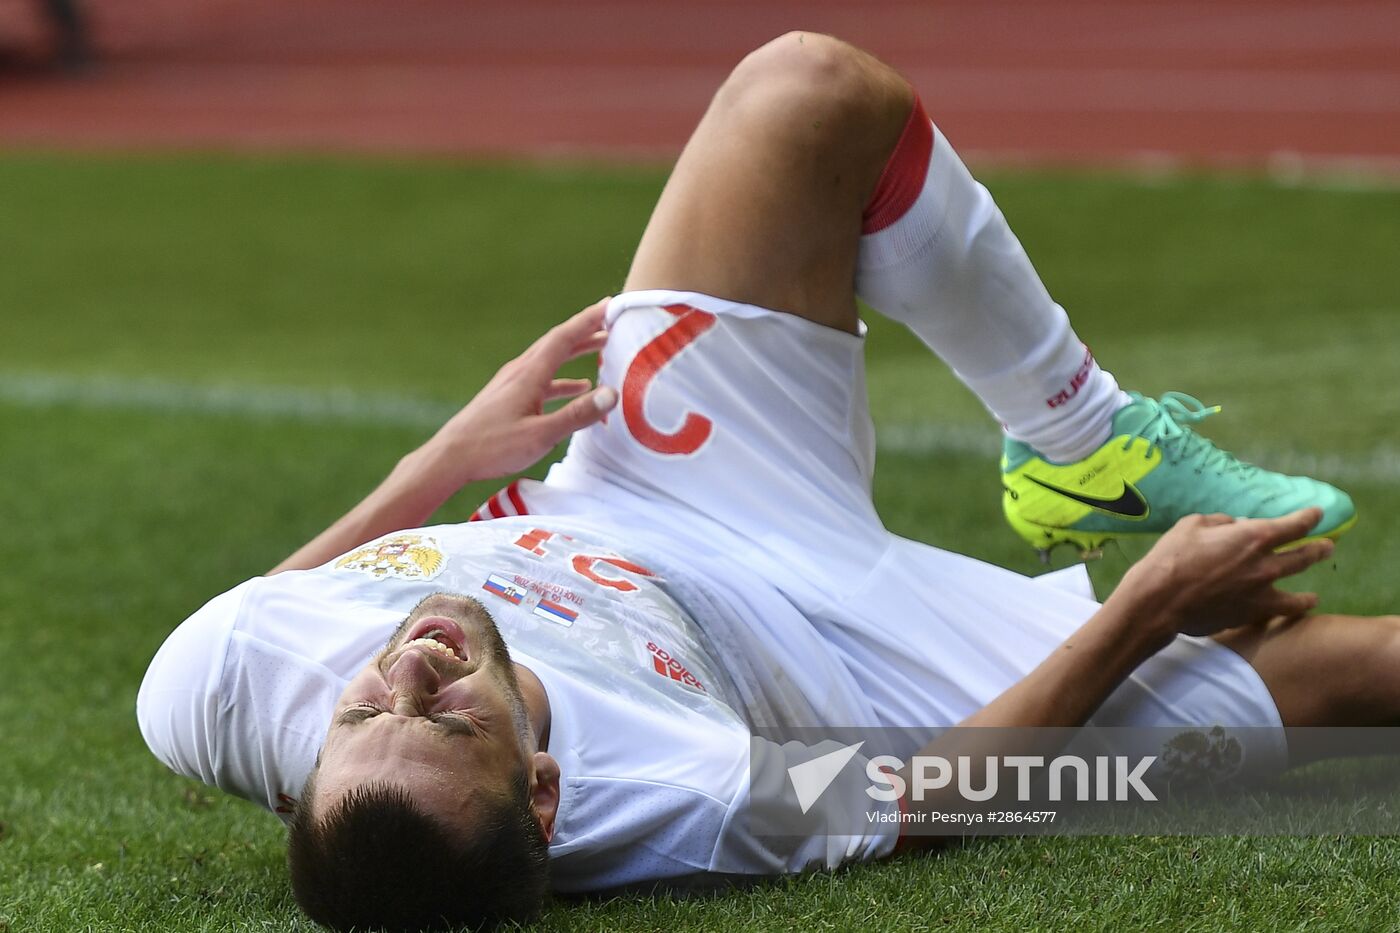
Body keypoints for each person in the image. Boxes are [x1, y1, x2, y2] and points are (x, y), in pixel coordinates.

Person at [137, 31, 1388, 933]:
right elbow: (932, 795)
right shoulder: (676, 804)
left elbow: (270, 602)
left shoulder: (220, 686)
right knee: (1360, 675)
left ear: (307, 762)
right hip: (851, 664)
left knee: (805, 91)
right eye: (450, 716)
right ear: (543, 790)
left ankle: (1085, 443)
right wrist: (1144, 611)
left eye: (363, 715)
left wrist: (438, 464)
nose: (405, 669)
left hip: (637, 493)